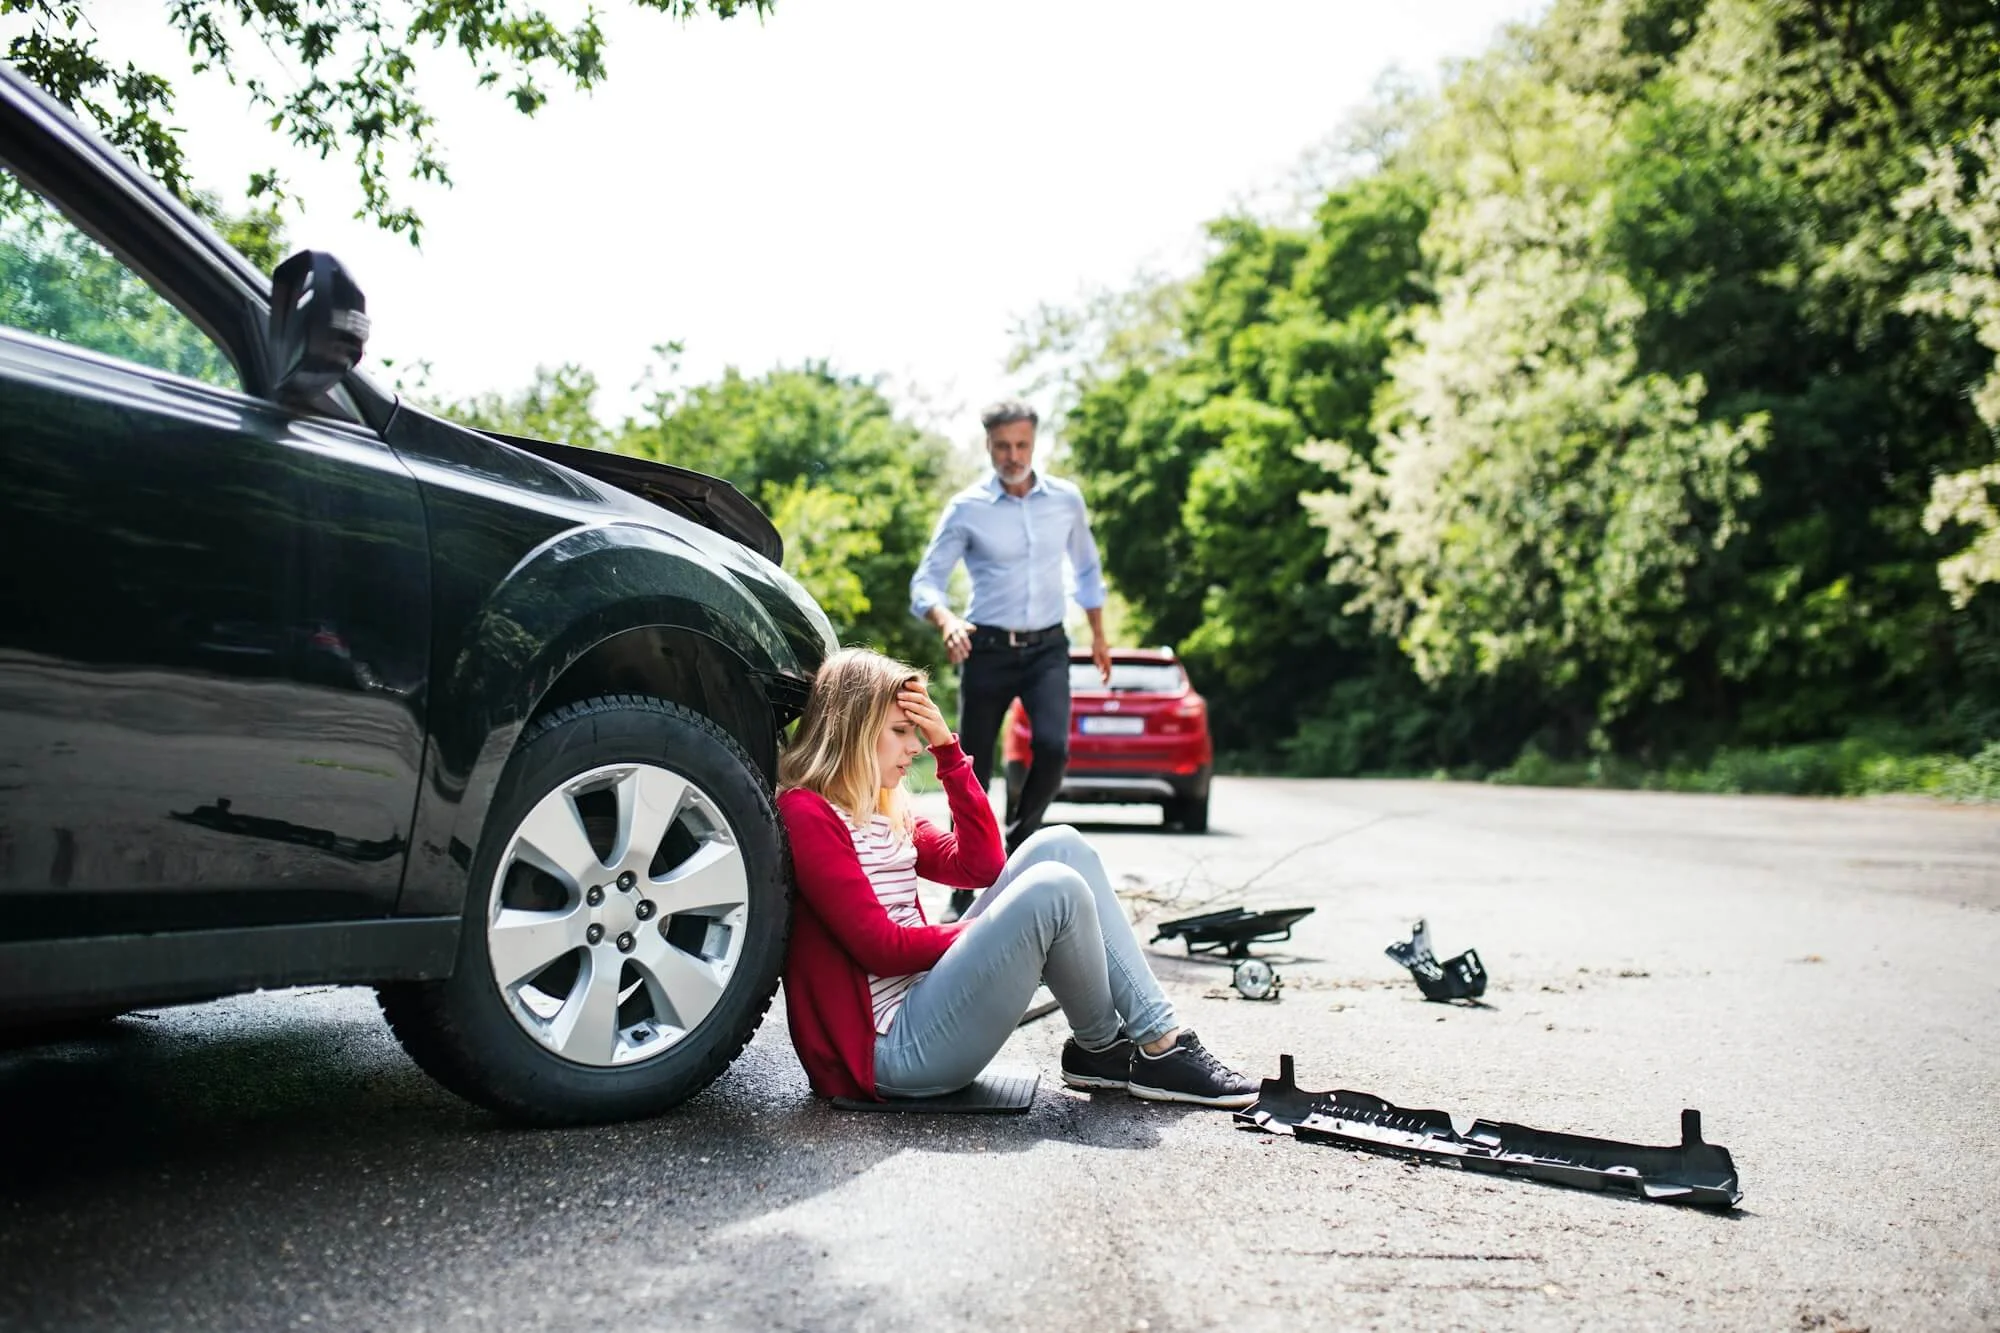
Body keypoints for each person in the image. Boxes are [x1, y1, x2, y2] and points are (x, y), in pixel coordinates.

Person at [776, 647, 1259, 1108]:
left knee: (1061, 845)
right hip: (887, 1053)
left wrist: (949, 751)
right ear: (854, 731)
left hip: (923, 1008)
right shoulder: (808, 814)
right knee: (1052, 890)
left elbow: (981, 866)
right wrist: (998, 933)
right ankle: (1151, 1048)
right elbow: (878, 947)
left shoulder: (883, 811)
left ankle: (1110, 1050)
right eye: (901, 730)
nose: (915, 746)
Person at [910, 398, 1112, 920]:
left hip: (1048, 646)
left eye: (1021, 445)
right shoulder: (967, 508)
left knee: (1053, 748)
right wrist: (947, 620)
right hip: (988, 649)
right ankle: (961, 883)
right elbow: (925, 583)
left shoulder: (1066, 500)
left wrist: (1098, 635)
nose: (1012, 455)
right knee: (969, 764)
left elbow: (1087, 571)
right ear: (988, 445)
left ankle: (1012, 854)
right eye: (1002, 446)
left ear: (1034, 442)